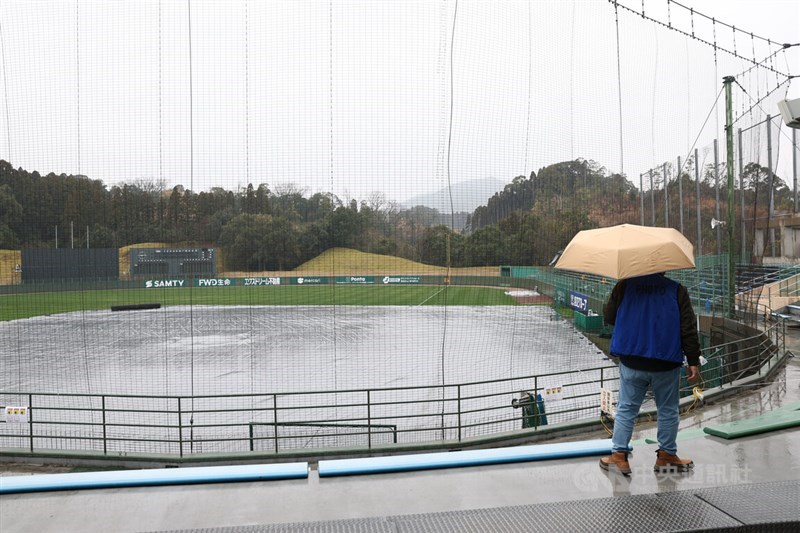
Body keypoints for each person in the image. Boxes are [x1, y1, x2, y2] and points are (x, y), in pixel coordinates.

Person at [599, 272, 701, 475]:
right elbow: (687, 328)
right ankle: (666, 456)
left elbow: (609, 317)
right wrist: (693, 360)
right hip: (665, 361)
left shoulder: (624, 286)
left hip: (632, 358)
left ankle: (619, 456)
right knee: (668, 409)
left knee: (627, 408)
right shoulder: (677, 289)